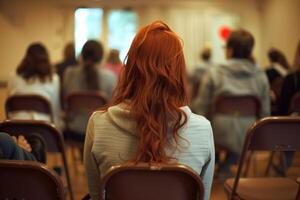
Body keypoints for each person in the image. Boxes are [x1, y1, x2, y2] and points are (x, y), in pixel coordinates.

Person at [84, 21, 215, 200]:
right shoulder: (203, 129)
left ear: (130, 69)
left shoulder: (98, 124)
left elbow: (96, 195)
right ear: (178, 72)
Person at [193, 29, 270, 175]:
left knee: (210, 131)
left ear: (230, 50)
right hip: (249, 131)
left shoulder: (214, 73)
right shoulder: (261, 75)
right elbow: (265, 112)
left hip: (219, 131)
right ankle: (225, 168)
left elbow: (201, 106)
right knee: (239, 137)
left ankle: (218, 166)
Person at [63, 40, 117, 142]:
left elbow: (65, 104)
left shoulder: (69, 73)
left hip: (74, 130)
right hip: (100, 132)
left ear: (82, 55)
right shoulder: (110, 77)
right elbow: (113, 107)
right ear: (101, 57)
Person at [8, 43, 64, 131]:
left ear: (26, 58)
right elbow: (55, 111)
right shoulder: (53, 79)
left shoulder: (13, 78)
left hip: (17, 130)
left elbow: (10, 109)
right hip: (43, 131)